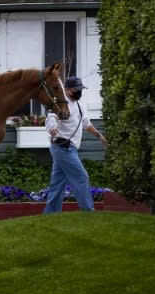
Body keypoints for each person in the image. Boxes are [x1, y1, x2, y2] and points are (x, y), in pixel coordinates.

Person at [43, 76, 108, 213]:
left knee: (58, 184)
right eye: (77, 89)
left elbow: (86, 124)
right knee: (81, 176)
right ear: (67, 90)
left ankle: (50, 214)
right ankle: (88, 211)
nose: (79, 92)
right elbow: (51, 118)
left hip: (68, 149)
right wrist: (53, 128)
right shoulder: (60, 103)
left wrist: (99, 135)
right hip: (62, 147)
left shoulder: (79, 105)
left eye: (80, 89)